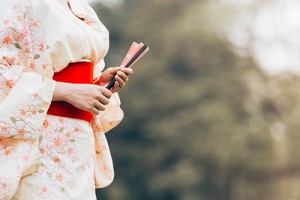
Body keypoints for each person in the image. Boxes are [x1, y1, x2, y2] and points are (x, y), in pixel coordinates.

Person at [0, 0, 133, 199]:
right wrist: (67, 92)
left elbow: (84, 75)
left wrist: (99, 84)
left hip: (78, 141)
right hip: (41, 137)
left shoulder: (83, 10)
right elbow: (5, 73)